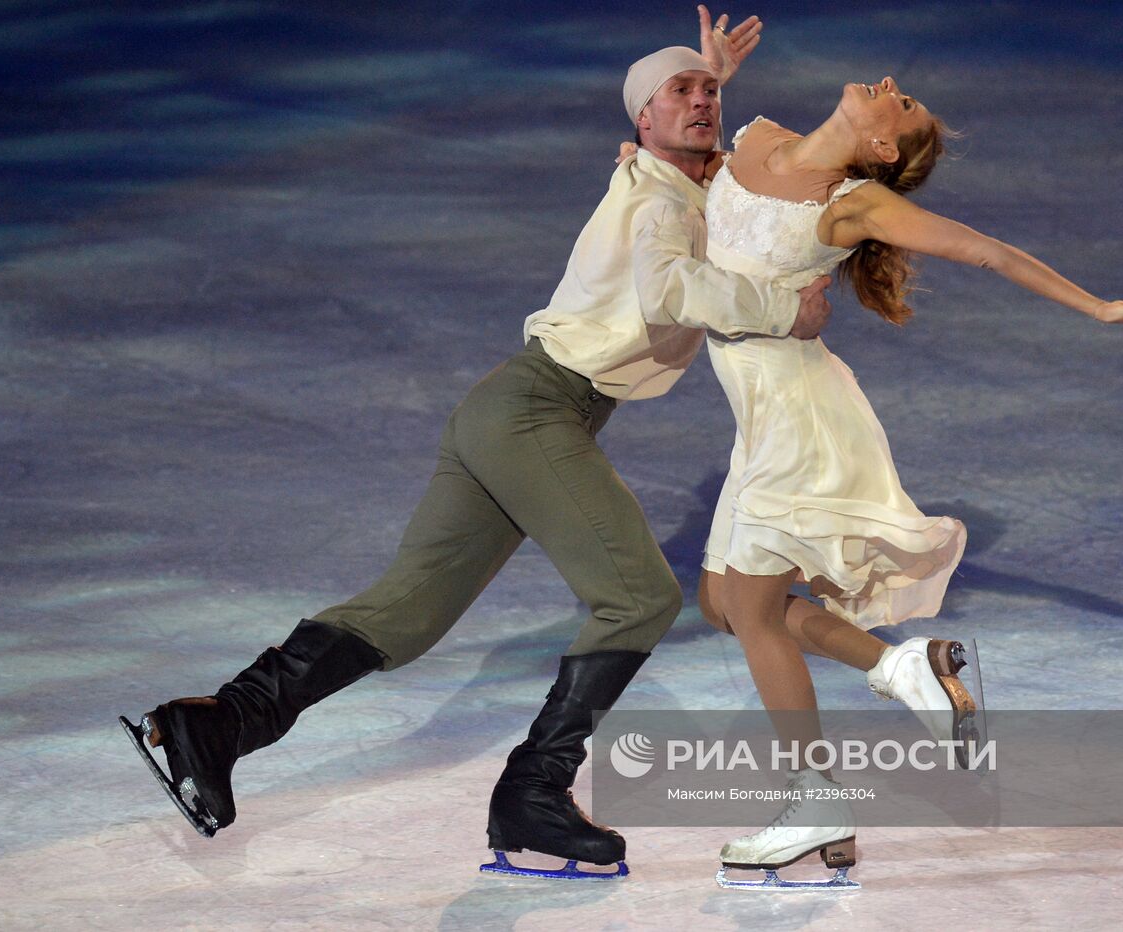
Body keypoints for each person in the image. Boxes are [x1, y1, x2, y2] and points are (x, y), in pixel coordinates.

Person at [119, 9, 837, 879]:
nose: (701, 104)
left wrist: (711, 77)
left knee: (407, 616)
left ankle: (219, 721)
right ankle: (532, 792)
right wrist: (780, 310)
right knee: (639, 597)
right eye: (677, 94)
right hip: (537, 410)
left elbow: (710, 172)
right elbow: (667, 286)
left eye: (708, 94)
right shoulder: (652, 198)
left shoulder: (669, 180)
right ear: (637, 120)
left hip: (510, 409)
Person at [689, 77, 1123, 884]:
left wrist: (1098, 309)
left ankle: (816, 798)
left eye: (905, 106)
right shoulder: (755, 138)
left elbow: (985, 250)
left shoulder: (856, 206)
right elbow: (693, 170)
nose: (893, 88)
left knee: (750, 609)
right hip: (761, 422)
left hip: (799, 417)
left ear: (882, 148)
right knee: (723, 604)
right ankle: (900, 670)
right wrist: (705, 81)